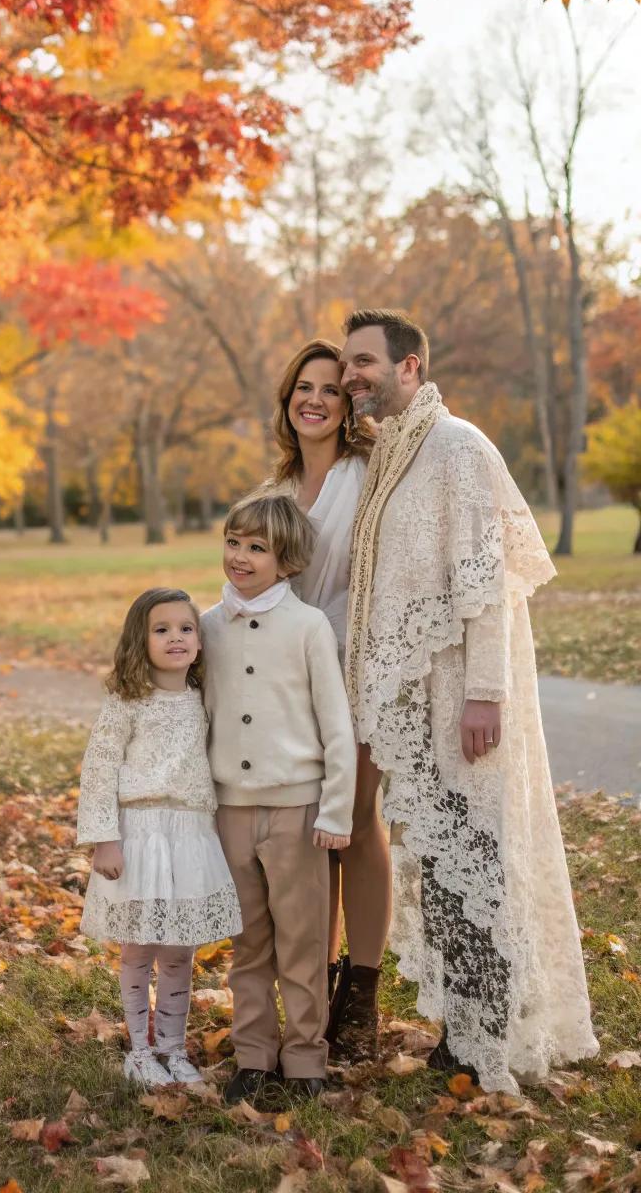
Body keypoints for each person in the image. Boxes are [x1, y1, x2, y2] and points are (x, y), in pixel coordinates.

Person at [338, 307, 597, 1092]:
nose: (350, 376)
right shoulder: (392, 451)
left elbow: (489, 583)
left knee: (471, 855)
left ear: (409, 367)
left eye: (363, 362)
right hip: (410, 696)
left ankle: (485, 1043)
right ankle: (464, 1033)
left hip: (457, 693)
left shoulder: (458, 446)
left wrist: (485, 693)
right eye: (346, 364)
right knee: (441, 857)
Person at [203, 492, 357, 1105]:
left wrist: (336, 809)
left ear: (286, 561)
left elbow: (336, 725)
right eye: (233, 542)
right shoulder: (207, 626)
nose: (239, 556)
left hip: (298, 812)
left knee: (302, 941)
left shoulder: (308, 627)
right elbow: (200, 717)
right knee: (247, 942)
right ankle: (253, 1055)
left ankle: (306, 1058)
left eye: (257, 548)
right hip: (230, 811)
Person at [268, 341, 389, 1053]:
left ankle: (363, 992)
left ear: (347, 405)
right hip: (291, 678)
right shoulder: (275, 490)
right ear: (288, 399)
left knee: (358, 821)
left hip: (360, 666)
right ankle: (315, 989)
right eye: (303, 388)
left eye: (330, 390)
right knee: (313, 832)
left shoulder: (368, 474)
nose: (314, 400)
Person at [77, 587, 242, 1089]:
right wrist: (103, 838)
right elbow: (99, 769)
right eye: (162, 629)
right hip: (140, 833)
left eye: (186, 628)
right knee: (139, 947)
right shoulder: (127, 702)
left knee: (178, 951)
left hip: (190, 834)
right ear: (140, 640)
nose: (176, 638)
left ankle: (172, 1047)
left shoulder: (203, 699)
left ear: (200, 640)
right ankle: (140, 1050)